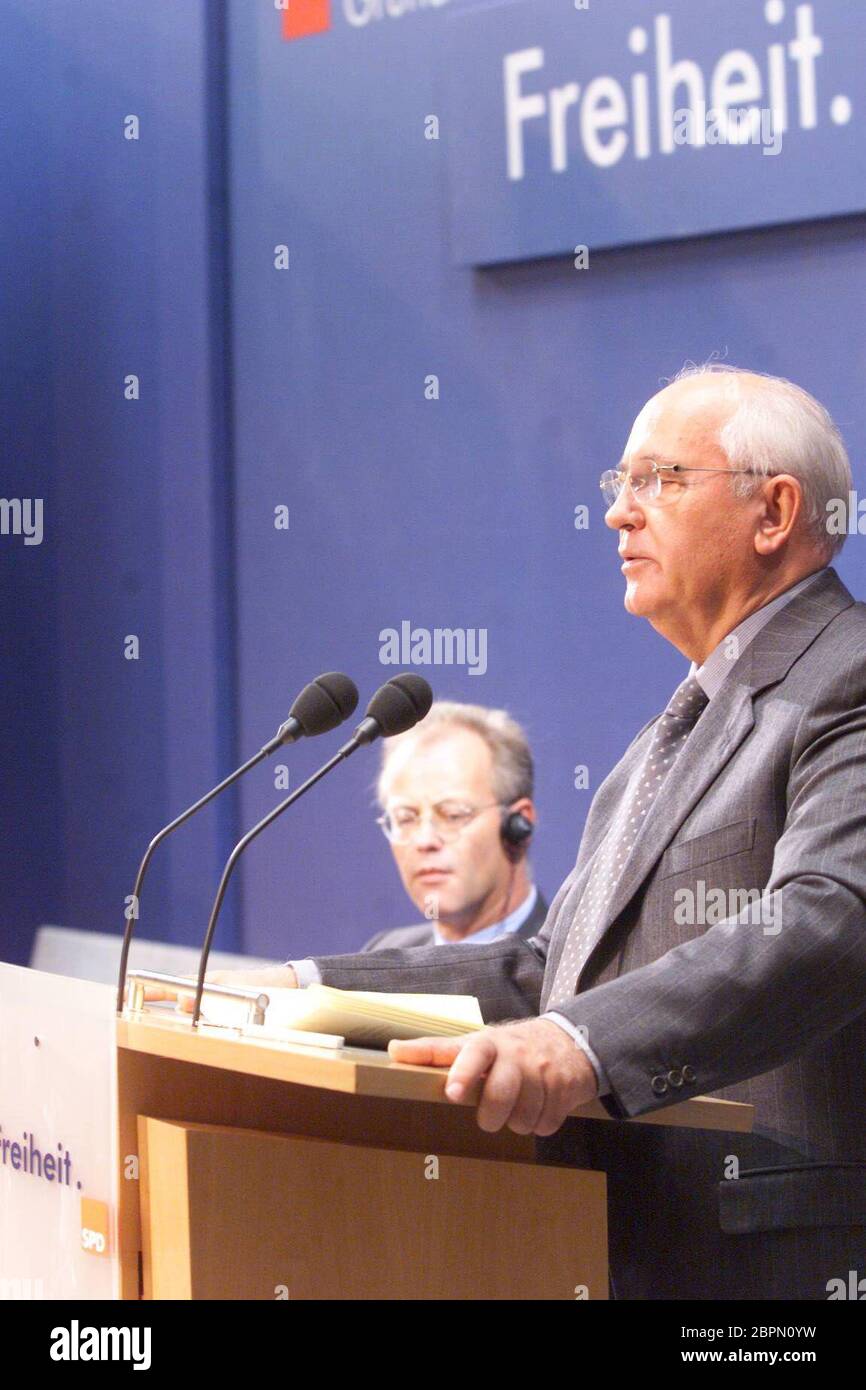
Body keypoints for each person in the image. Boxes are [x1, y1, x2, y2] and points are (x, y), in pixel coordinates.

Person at [186, 363, 866, 1300]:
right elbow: (549, 968)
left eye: (658, 480)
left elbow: (833, 919)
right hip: (622, 1247)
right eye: (616, 485)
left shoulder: (849, 675)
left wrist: (581, 1044)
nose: (619, 514)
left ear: (774, 511)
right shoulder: (661, 742)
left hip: (782, 1265)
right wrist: (301, 992)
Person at [361, 702, 547, 951]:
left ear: (518, 826)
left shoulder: (570, 962)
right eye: (406, 818)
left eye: (453, 815)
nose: (424, 840)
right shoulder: (383, 954)